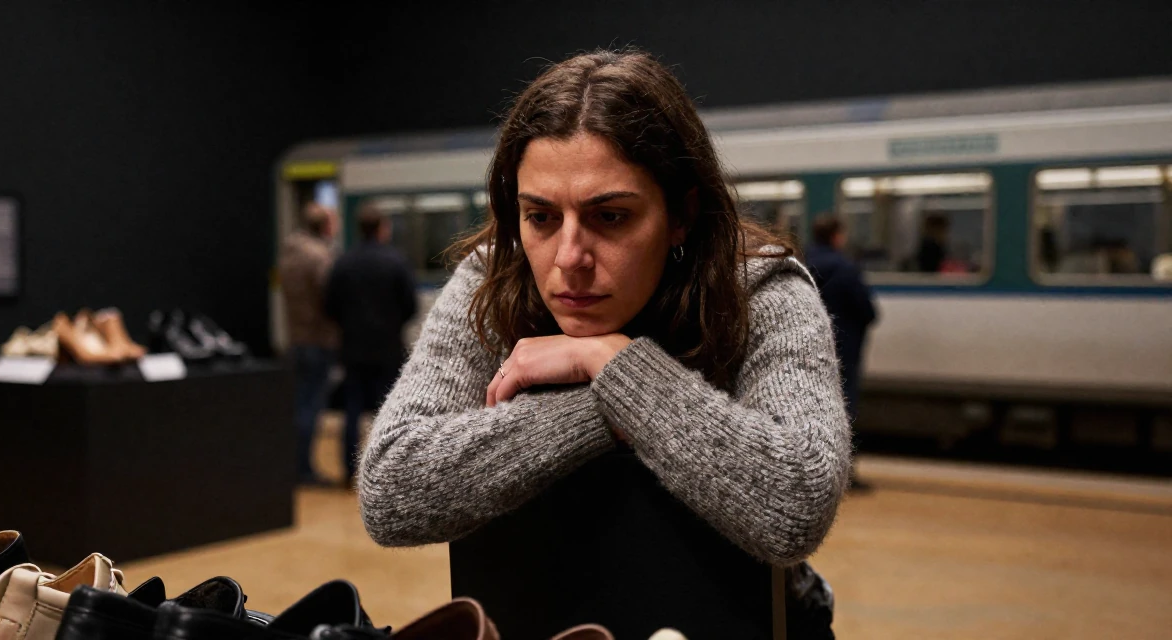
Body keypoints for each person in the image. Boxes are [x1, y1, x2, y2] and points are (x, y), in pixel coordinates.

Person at [357, 50, 850, 639]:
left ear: (681, 215)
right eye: (540, 217)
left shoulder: (761, 289)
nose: (569, 259)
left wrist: (614, 364)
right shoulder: (492, 282)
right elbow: (392, 487)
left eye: (611, 217)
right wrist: (608, 406)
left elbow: (796, 501)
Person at [325, 203, 417, 486]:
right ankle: (382, 472)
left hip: (352, 349)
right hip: (387, 349)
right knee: (385, 411)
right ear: (382, 229)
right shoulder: (396, 262)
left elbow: (329, 306)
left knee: (352, 411)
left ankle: (347, 471)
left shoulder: (343, 263)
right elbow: (410, 306)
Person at [806, 216, 878, 492]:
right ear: (837, 236)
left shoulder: (800, 263)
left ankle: (817, 475)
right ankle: (843, 476)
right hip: (844, 351)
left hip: (810, 350)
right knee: (844, 411)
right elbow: (869, 312)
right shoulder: (846, 268)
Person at [279, 202, 339, 484]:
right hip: (318, 340)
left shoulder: (289, 252)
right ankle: (304, 469)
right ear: (325, 226)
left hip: (295, 338)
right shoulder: (319, 257)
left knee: (298, 404)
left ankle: (293, 463)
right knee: (311, 407)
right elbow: (330, 299)